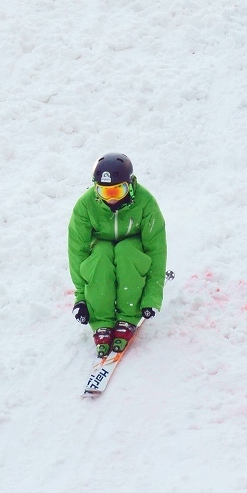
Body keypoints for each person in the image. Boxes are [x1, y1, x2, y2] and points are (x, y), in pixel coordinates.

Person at [68, 153, 167, 359]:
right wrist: (81, 298)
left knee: (125, 251)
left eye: (117, 190)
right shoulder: (85, 206)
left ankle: (128, 315)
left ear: (129, 185)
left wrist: (152, 297)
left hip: (134, 250)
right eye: (104, 191)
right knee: (101, 255)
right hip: (100, 248)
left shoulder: (145, 203)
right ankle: (102, 320)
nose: (111, 198)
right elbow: (78, 252)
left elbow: (156, 250)